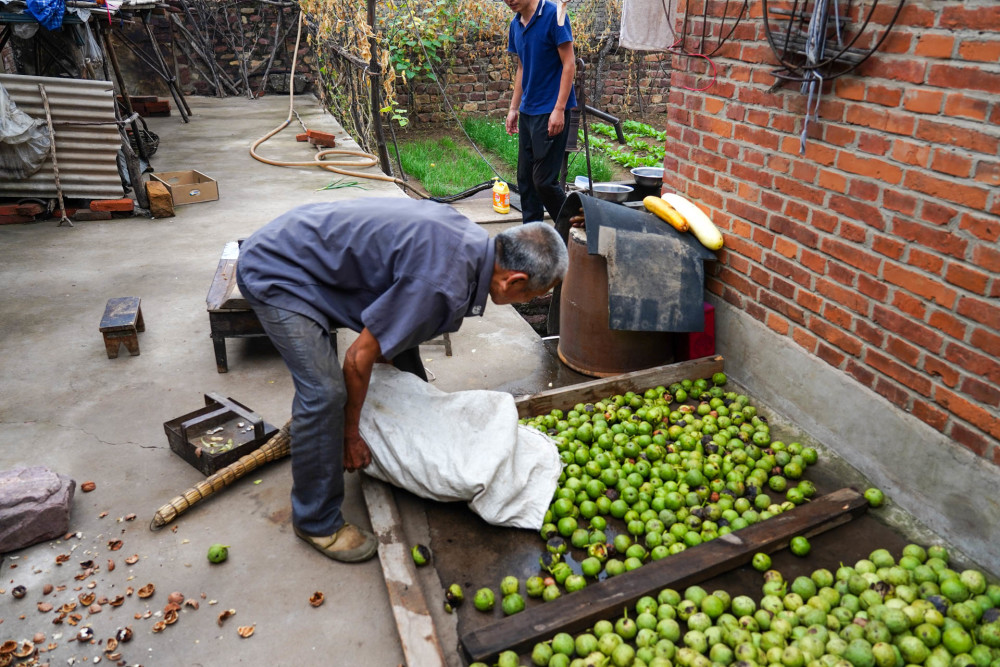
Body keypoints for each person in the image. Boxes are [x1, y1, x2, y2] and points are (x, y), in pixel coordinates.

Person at [235, 198, 568, 563]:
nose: (531, 300)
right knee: (325, 393)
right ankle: (316, 521)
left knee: (404, 363)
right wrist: (350, 435)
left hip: (311, 251)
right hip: (279, 271)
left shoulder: (473, 245)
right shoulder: (442, 283)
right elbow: (357, 357)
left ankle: (398, 453)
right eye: (533, 296)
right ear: (514, 280)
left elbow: (399, 317)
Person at [505, 0, 577, 224]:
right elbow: (522, 66)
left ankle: (573, 227)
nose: (509, 1)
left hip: (550, 110)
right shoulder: (516, 24)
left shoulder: (555, 15)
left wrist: (559, 109)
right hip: (528, 110)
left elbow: (569, 63)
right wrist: (514, 108)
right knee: (525, 180)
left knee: (543, 181)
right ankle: (532, 234)